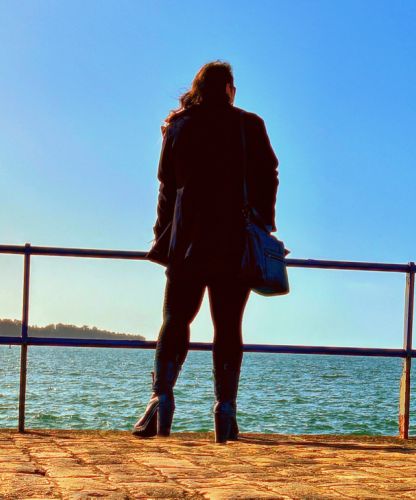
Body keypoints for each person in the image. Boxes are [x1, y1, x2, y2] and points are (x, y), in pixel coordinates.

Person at [132, 61, 279, 443]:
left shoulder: (179, 125)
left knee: (175, 318)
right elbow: (269, 175)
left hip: (187, 241)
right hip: (234, 241)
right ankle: (224, 412)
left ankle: (161, 400)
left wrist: (162, 235)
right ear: (229, 88)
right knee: (228, 325)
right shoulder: (249, 124)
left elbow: (167, 187)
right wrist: (262, 222)